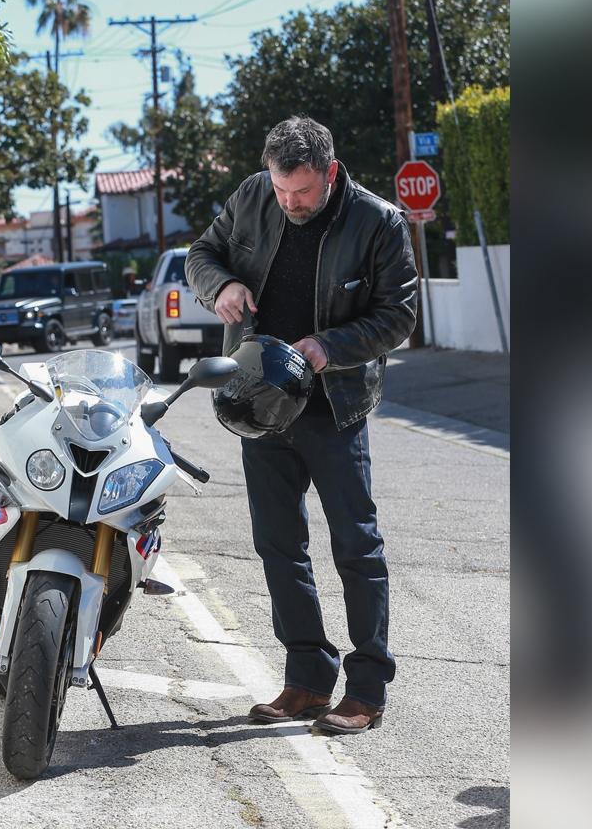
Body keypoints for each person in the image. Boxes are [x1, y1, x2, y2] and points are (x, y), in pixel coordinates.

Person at [186, 116, 418, 734]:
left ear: (331, 173)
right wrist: (223, 285)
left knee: (356, 548)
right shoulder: (251, 196)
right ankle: (307, 680)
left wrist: (327, 346)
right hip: (258, 406)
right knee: (279, 547)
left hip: (334, 407)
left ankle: (365, 689)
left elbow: (398, 317)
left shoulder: (378, 221)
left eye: (304, 193)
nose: (290, 204)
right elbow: (200, 254)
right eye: (281, 190)